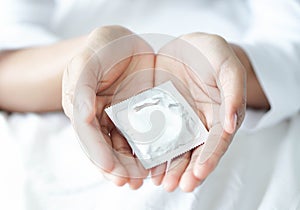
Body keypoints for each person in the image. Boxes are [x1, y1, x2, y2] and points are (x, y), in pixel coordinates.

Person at [0, 0, 299, 209]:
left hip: (237, 80)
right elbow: (7, 60)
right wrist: (86, 64)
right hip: (61, 76)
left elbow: (291, 33)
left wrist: (236, 69)